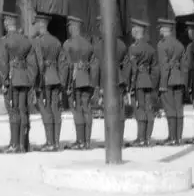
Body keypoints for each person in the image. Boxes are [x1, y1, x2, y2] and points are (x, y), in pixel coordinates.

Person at [0, 11, 37, 153]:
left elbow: (3, 63)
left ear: (7, 24)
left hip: (12, 79)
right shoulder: (27, 41)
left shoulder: (5, 41)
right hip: (25, 79)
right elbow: (33, 65)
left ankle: (14, 144)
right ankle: (23, 144)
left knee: (13, 112)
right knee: (23, 111)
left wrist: (4, 81)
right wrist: (30, 80)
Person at [31, 12, 67, 152]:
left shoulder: (37, 42)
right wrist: (62, 82)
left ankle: (49, 142)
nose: (35, 27)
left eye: (36, 24)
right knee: (55, 110)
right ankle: (56, 142)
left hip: (44, 79)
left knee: (45, 110)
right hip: (55, 78)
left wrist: (35, 82)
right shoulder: (57, 41)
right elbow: (63, 64)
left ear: (41, 24)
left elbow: (37, 64)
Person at [92, 14, 129, 146]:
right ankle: (119, 140)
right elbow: (126, 66)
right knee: (120, 111)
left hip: (106, 81)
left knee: (109, 111)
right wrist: (126, 83)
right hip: (119, 80)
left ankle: (111, 141)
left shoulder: (99, 45)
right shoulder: (121, 44)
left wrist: (96, 85)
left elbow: (97, 67)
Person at [63, 15, 96, 150]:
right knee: (87, 109)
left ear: (73, 27)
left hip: (75, 80)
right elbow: (94, 65)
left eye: (70, 26)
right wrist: (94, 83)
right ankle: (87, 141)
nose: (69, 29)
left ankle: (80, 141)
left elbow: (66, 65)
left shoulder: (68, 44)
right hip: (87, 79)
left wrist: (65, 84)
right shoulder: (88, 44)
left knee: (77, 110)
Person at [127, 19, 158, 147]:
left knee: (140, 109)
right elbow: (155, 68)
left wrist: (131, 85)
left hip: (139, 81)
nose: (132, 32)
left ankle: (140, 138)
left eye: (134, 30)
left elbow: (133, 69)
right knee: (149, 109)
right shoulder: (151, 48)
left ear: (136, 31)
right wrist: (153, 82)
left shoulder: (134, 48)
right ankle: (147, 138)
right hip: (149, 81)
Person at [157, 18, 185, 146]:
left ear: (164, 29)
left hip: (168, 80)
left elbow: (164, 66)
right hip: (179, 78)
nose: (160, 31)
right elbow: (184, 65)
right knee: (179, 109)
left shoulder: (162, 44)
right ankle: (178, 138)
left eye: (160, 28)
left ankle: (172, 137)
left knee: (170, 109)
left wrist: (162, 84)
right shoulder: (179, 44)